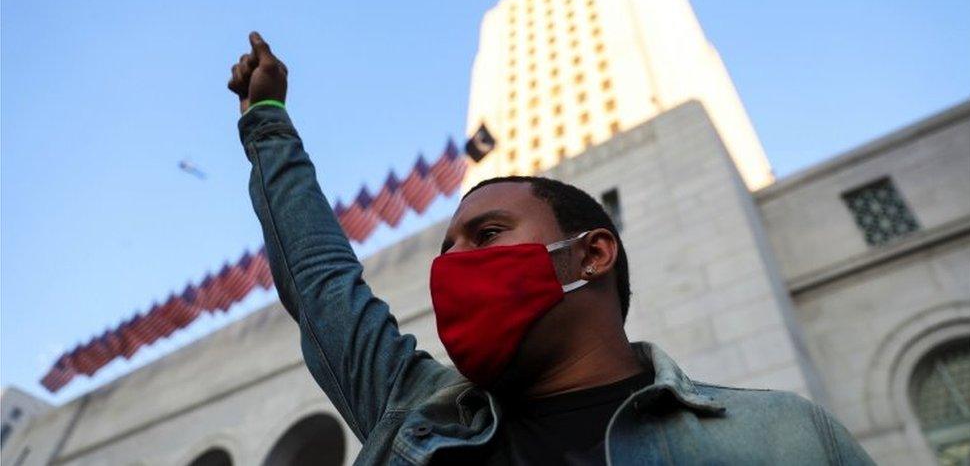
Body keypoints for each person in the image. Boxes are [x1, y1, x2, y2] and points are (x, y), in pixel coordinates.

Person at [228, 32, 874, 465]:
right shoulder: (411, 410)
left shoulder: (783, 436)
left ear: (592, 254)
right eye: (447, 246)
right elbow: (319, 279)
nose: (452, 263)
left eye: (486, 235)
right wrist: (268, 120)